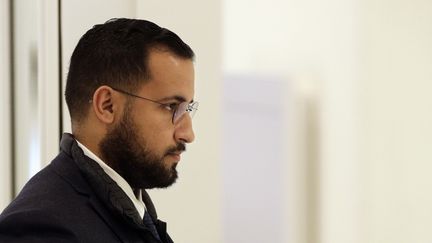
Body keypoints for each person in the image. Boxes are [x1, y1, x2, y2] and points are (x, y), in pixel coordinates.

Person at [0, 18, 197, 243]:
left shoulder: (130, 208)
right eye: (171, 106)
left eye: (187, 108)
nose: (188, 133)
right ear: (107, 106)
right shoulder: (43, 228)